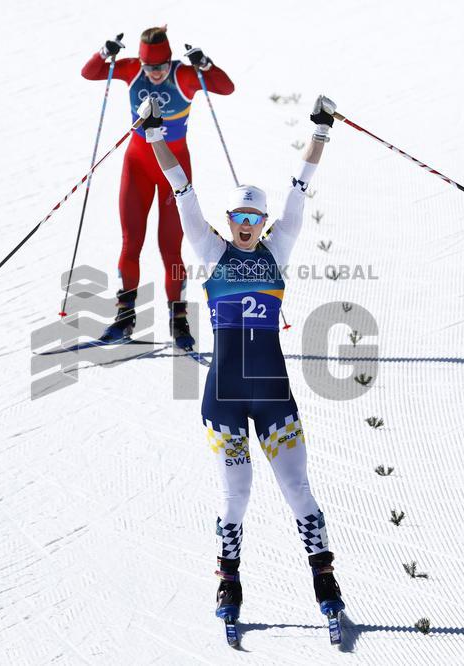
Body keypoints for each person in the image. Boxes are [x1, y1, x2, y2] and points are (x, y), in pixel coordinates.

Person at [138, 93, 345, 622]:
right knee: (237, 495)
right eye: (240, 217)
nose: (248, 224)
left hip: (273, 395)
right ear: (229, 221)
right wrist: (158, 136)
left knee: (298, 489)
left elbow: (300, 192)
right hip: (224, 398)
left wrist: (320, 130)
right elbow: (183, 192)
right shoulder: (211, 252)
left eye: (256, 216)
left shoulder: (279, 248)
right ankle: (228, 580)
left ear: (264, 220)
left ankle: (324, 573)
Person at [81, 27, 235, 348]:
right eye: (151, 67)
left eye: (162, 65)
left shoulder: (184, 76)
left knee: (170, 247)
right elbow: (89, 73)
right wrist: (106, 53)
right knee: (131, 242)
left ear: (170, 59)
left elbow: (226, 88)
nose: (156, 73)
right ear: (141, 61)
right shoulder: (131, 69)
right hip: (137, 165)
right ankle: (124, 318)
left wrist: (205, 64)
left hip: (174, 171)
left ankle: (179, 321)